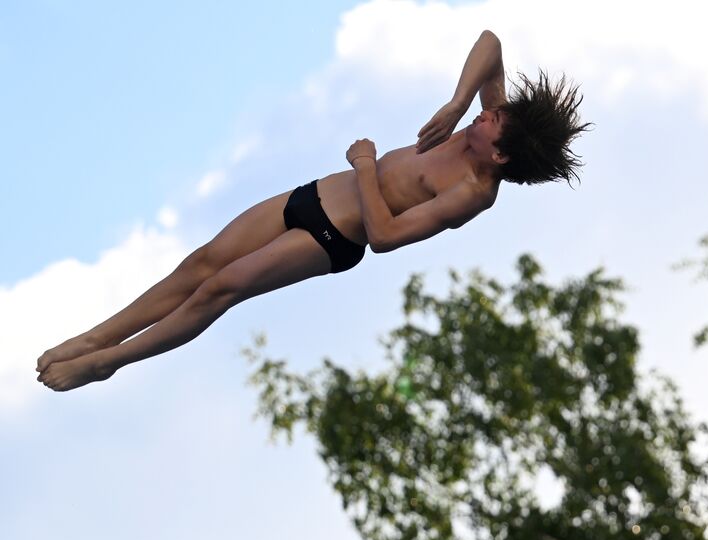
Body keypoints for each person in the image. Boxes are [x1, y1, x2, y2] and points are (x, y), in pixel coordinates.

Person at [37, 29, 591, 392]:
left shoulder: (473, 193)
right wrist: (457, 99)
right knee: (198, 265)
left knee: (220, 289)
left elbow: (387, 236)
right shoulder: (482, 123)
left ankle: (110, 362)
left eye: (491, 121)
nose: (485, 115)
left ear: (499, 154)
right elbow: (491, 43)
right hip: (312, 193)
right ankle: (95, 337)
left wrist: (368, 166)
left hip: (331, 236)